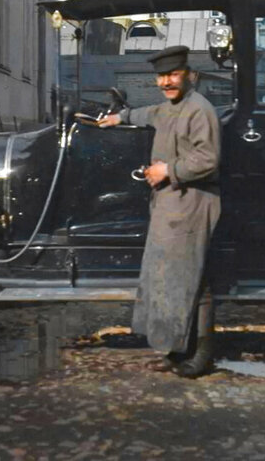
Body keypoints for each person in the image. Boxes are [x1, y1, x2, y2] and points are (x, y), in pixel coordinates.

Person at [98, 45, 221, 378]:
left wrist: (169, 170)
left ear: (188, 75)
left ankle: (202, 355)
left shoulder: (199, 110)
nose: (167, 81)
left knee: (193, 281)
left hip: (193, 203)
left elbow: (208, 159)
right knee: (170, 279)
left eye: (173, 74)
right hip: (171, 205)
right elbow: (147, 114)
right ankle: (175, 351)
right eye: (162, 76)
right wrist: (118, 117)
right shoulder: (170, 108)